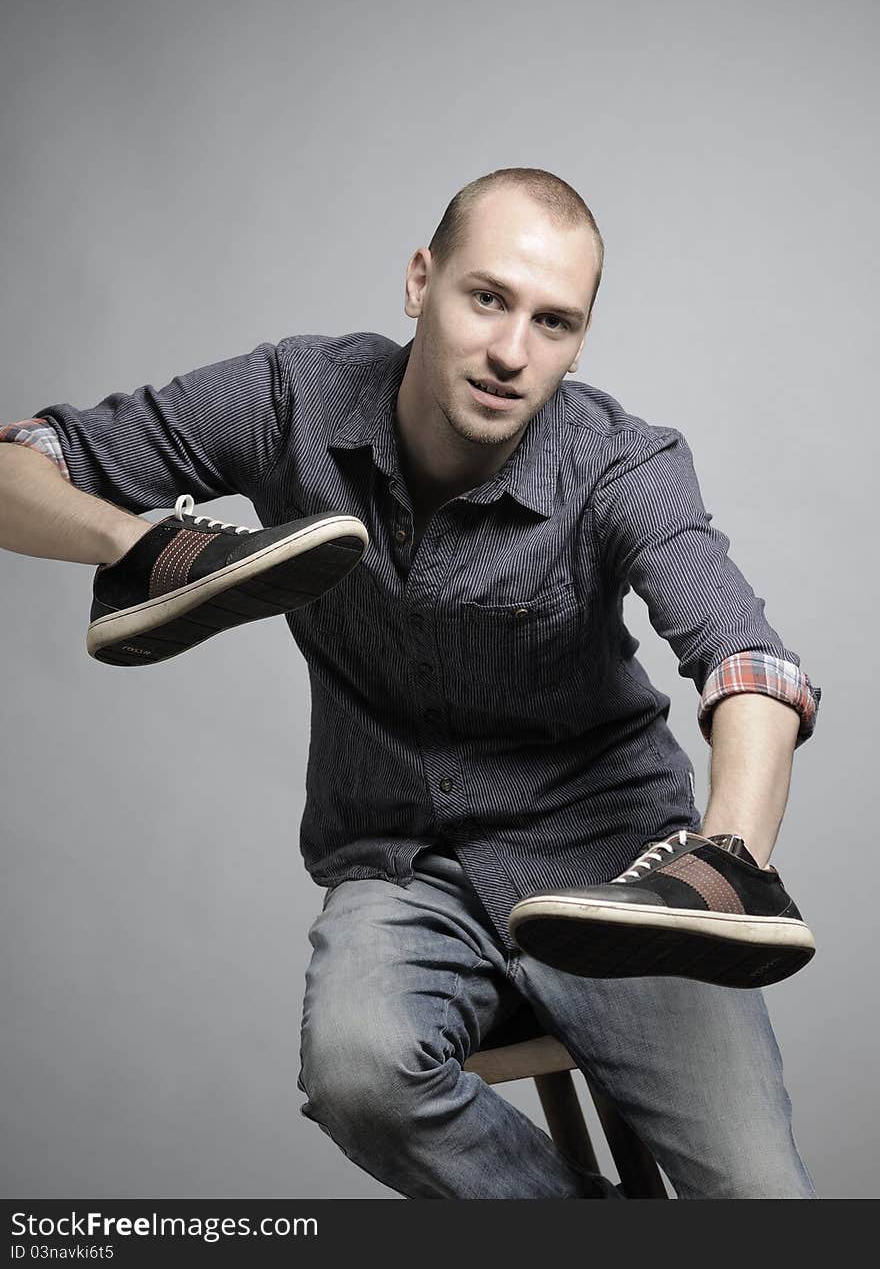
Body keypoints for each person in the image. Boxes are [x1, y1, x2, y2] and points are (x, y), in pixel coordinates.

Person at [0, 167, 822, 1198]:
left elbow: (745, 657)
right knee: (356, 1074)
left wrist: (728, 853)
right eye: (488, 298)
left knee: (763, 1202)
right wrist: (138, 543)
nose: (512, 353)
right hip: (405, 865)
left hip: (616, 872)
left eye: (554, 322)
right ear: (419, 281)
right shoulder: (292, 399)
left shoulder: (622, 464)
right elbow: (25, 460)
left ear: (579, 340)